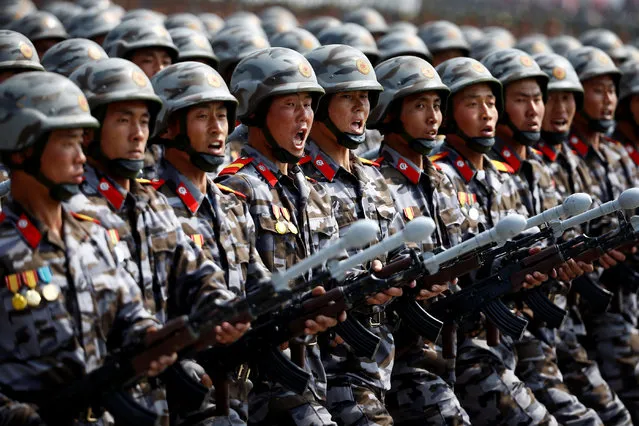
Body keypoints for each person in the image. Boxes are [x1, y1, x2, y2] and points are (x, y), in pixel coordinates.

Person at [67, 57, 247, 423]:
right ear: (89, 130)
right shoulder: (71, 207)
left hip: (157, 400)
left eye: (144, 121)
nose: (138, 134)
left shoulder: (146, 199)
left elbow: (194, 270)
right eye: (123, 120)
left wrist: (222, 308)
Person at [0, 71, 175, 425]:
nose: (81, 157)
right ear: (23, 151)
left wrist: (154, 340)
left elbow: (130, 314)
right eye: (67, 143)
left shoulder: (91, 233)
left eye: (82, 143)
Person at [216, 47, 343, 426]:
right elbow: (237, 290)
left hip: (313, 375)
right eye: (291, 104)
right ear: (255, 111)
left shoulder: (311, 189)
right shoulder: (238, 186)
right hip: (262, 388)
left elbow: (330, 272)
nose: (305, 116)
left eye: (309, 104)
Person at [433, 56, 557, 424]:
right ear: (450, 114)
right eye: (473, 104)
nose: (487, 113)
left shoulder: (503, 178)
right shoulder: (440, 178)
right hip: (461, 349)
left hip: (508, 342)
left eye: (491, 103)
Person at [482, 47, 602, 425]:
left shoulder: (539, 169)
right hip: (496, 339)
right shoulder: (487, 177)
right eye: (522, 100)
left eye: (539, 99)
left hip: (552, 328)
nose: (537, 110)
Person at [150, 61, 271, 424]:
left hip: (236, 390)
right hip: (179, 393)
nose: (219, 127)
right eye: (202, 116)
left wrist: (298, 305)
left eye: (222, 114)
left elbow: (257, 285)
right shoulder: (150, 209)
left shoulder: (233, 206)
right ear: (170, 126)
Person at [300, 43, 406, 426]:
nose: (361, 108)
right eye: (348, 97)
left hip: (378, 366)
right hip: (327, 370)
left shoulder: (374, 178)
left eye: (365, 98)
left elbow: (399, 251)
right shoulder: (300, 181)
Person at [367, 54, 471, 425]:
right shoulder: (374, 183)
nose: (433, 118)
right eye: (419, 106)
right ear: (392, 113)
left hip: (451, 345)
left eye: (437, 106)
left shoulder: (445, 179)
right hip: (403, 357)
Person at [567, 46, 639, 424]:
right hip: (585, 311)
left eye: (612, 89)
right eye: (597, 90)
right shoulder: (565, 162)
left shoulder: (617, 155)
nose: (608, 99)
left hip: (625, 303)